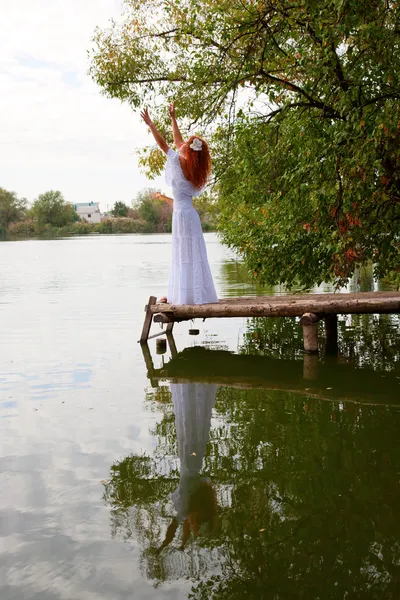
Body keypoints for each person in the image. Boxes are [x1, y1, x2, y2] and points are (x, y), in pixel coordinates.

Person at [140, 104, 218, 305]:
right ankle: (196, 295)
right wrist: (173, 118)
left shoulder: (178, 161)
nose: (181, 144)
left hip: (181, 215)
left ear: (188, 151)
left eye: (185, 144)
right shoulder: (194, 169)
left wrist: (151, 125)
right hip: (191, 214)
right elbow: (177, 140)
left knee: (182, 254)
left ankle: (182, 296)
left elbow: (164, 144)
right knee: (193, 253)